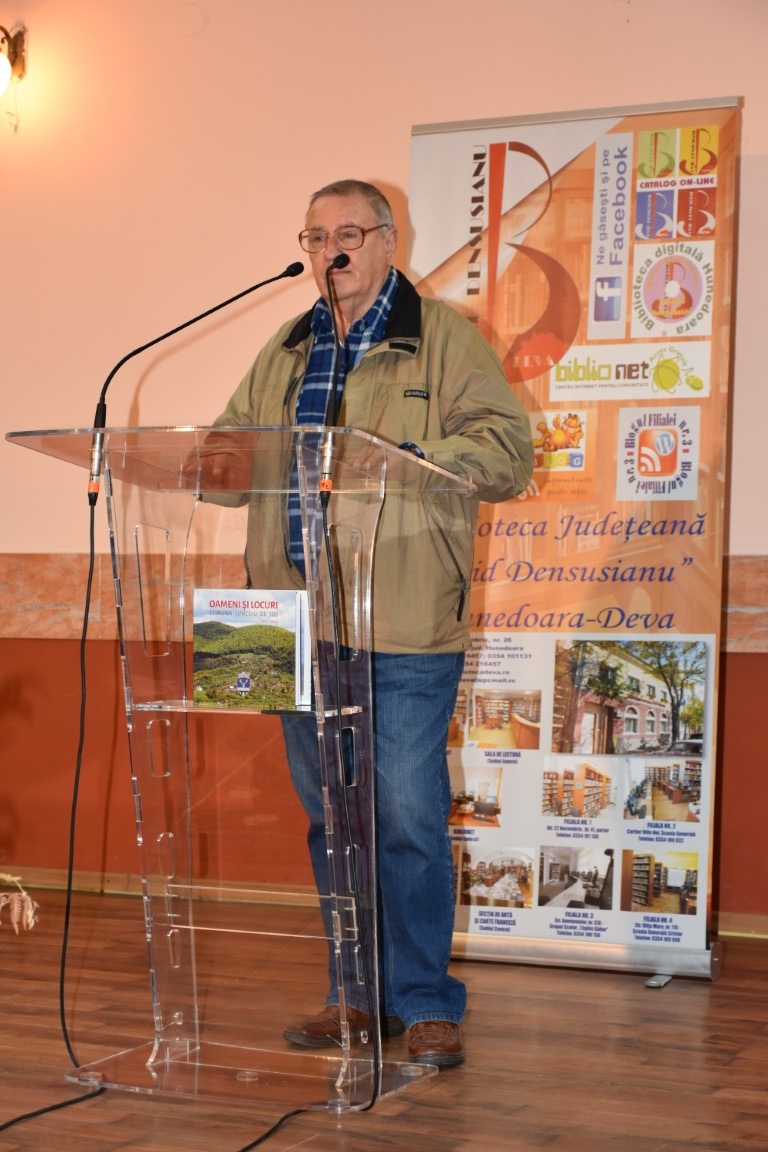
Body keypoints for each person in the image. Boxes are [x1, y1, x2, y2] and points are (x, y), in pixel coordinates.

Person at [204, 179, 533, 1068]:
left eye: (347, 233)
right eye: (315, 236)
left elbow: (508, 454)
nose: (331, 251)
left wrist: (409, 461)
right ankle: (355, 997)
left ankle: (423, 1001)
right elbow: (227, 451)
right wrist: (201, 460)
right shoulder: (287, 346)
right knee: (329, 821)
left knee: (406, 819)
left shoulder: (444, 340)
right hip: (281, 620)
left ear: (389, 241)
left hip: (402, 620)